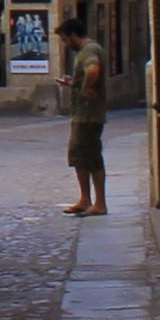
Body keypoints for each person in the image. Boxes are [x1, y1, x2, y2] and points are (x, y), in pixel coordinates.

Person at [58, 11, 110, 216]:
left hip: (88, 115)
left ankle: (99, 203)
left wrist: (87, 88)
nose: (64, 44)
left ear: (72, 35)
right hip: (83, 113)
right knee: (79, 156)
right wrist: (74, 83)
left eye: (64, 39)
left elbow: (93, 70)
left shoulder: (88, 51)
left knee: (91, 156)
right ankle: (85, 199)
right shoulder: (89, 50)